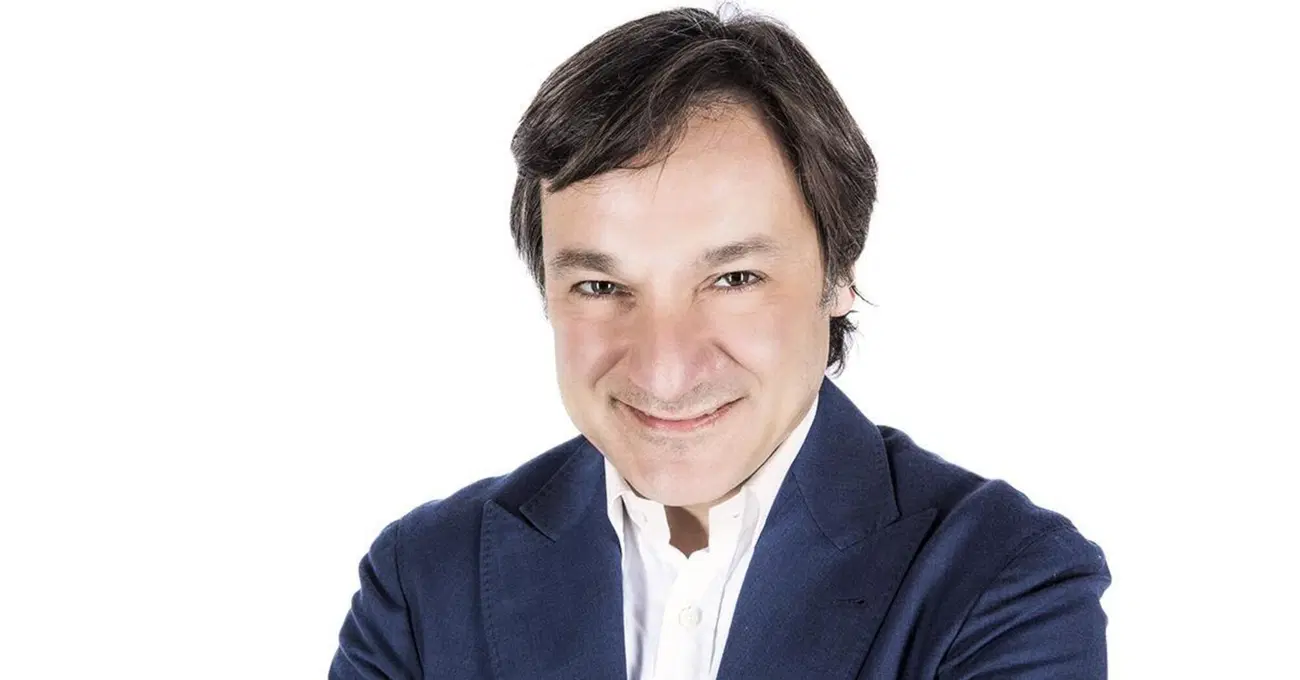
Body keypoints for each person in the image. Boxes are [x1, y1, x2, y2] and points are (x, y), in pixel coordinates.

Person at [330, 7, 1110, 679]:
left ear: (839, 274)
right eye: (600, 287)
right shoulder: (423, 583)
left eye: (733, 279)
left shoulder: (1004, 581)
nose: (664, 369)